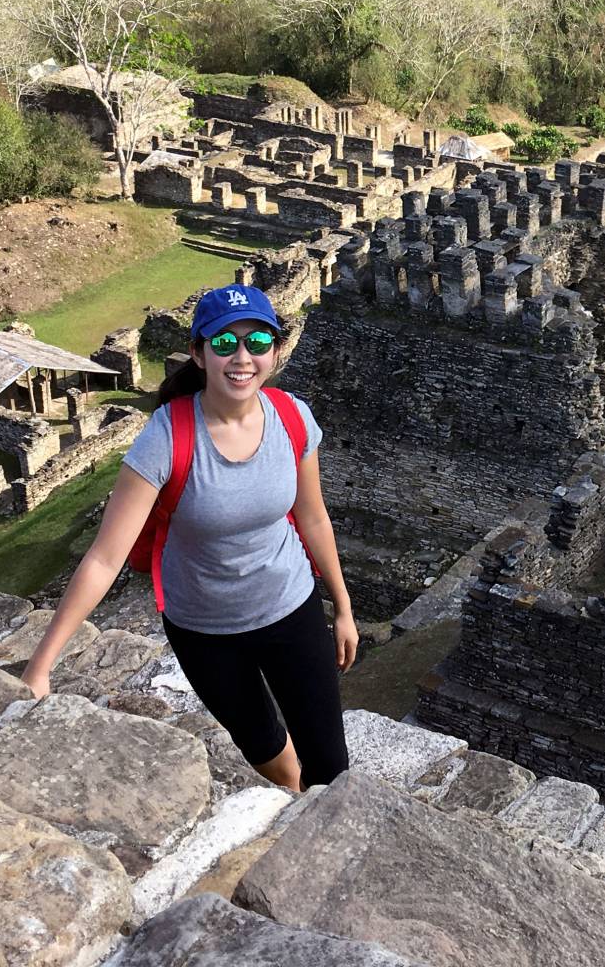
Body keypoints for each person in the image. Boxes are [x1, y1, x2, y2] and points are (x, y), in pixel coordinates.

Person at [20, 284, 358, 790]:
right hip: (204, 628)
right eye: (224, 344)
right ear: (199, 354)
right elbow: (104, 557)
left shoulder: (292, 418)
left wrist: (344, 608)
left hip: (289, 606)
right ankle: (290, 798)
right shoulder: (167, 438)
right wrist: (40, 666)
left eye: (257, 342)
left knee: (329, 763)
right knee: (263, 745)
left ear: (276, 351)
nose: (242, 358)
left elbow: (313, 520)